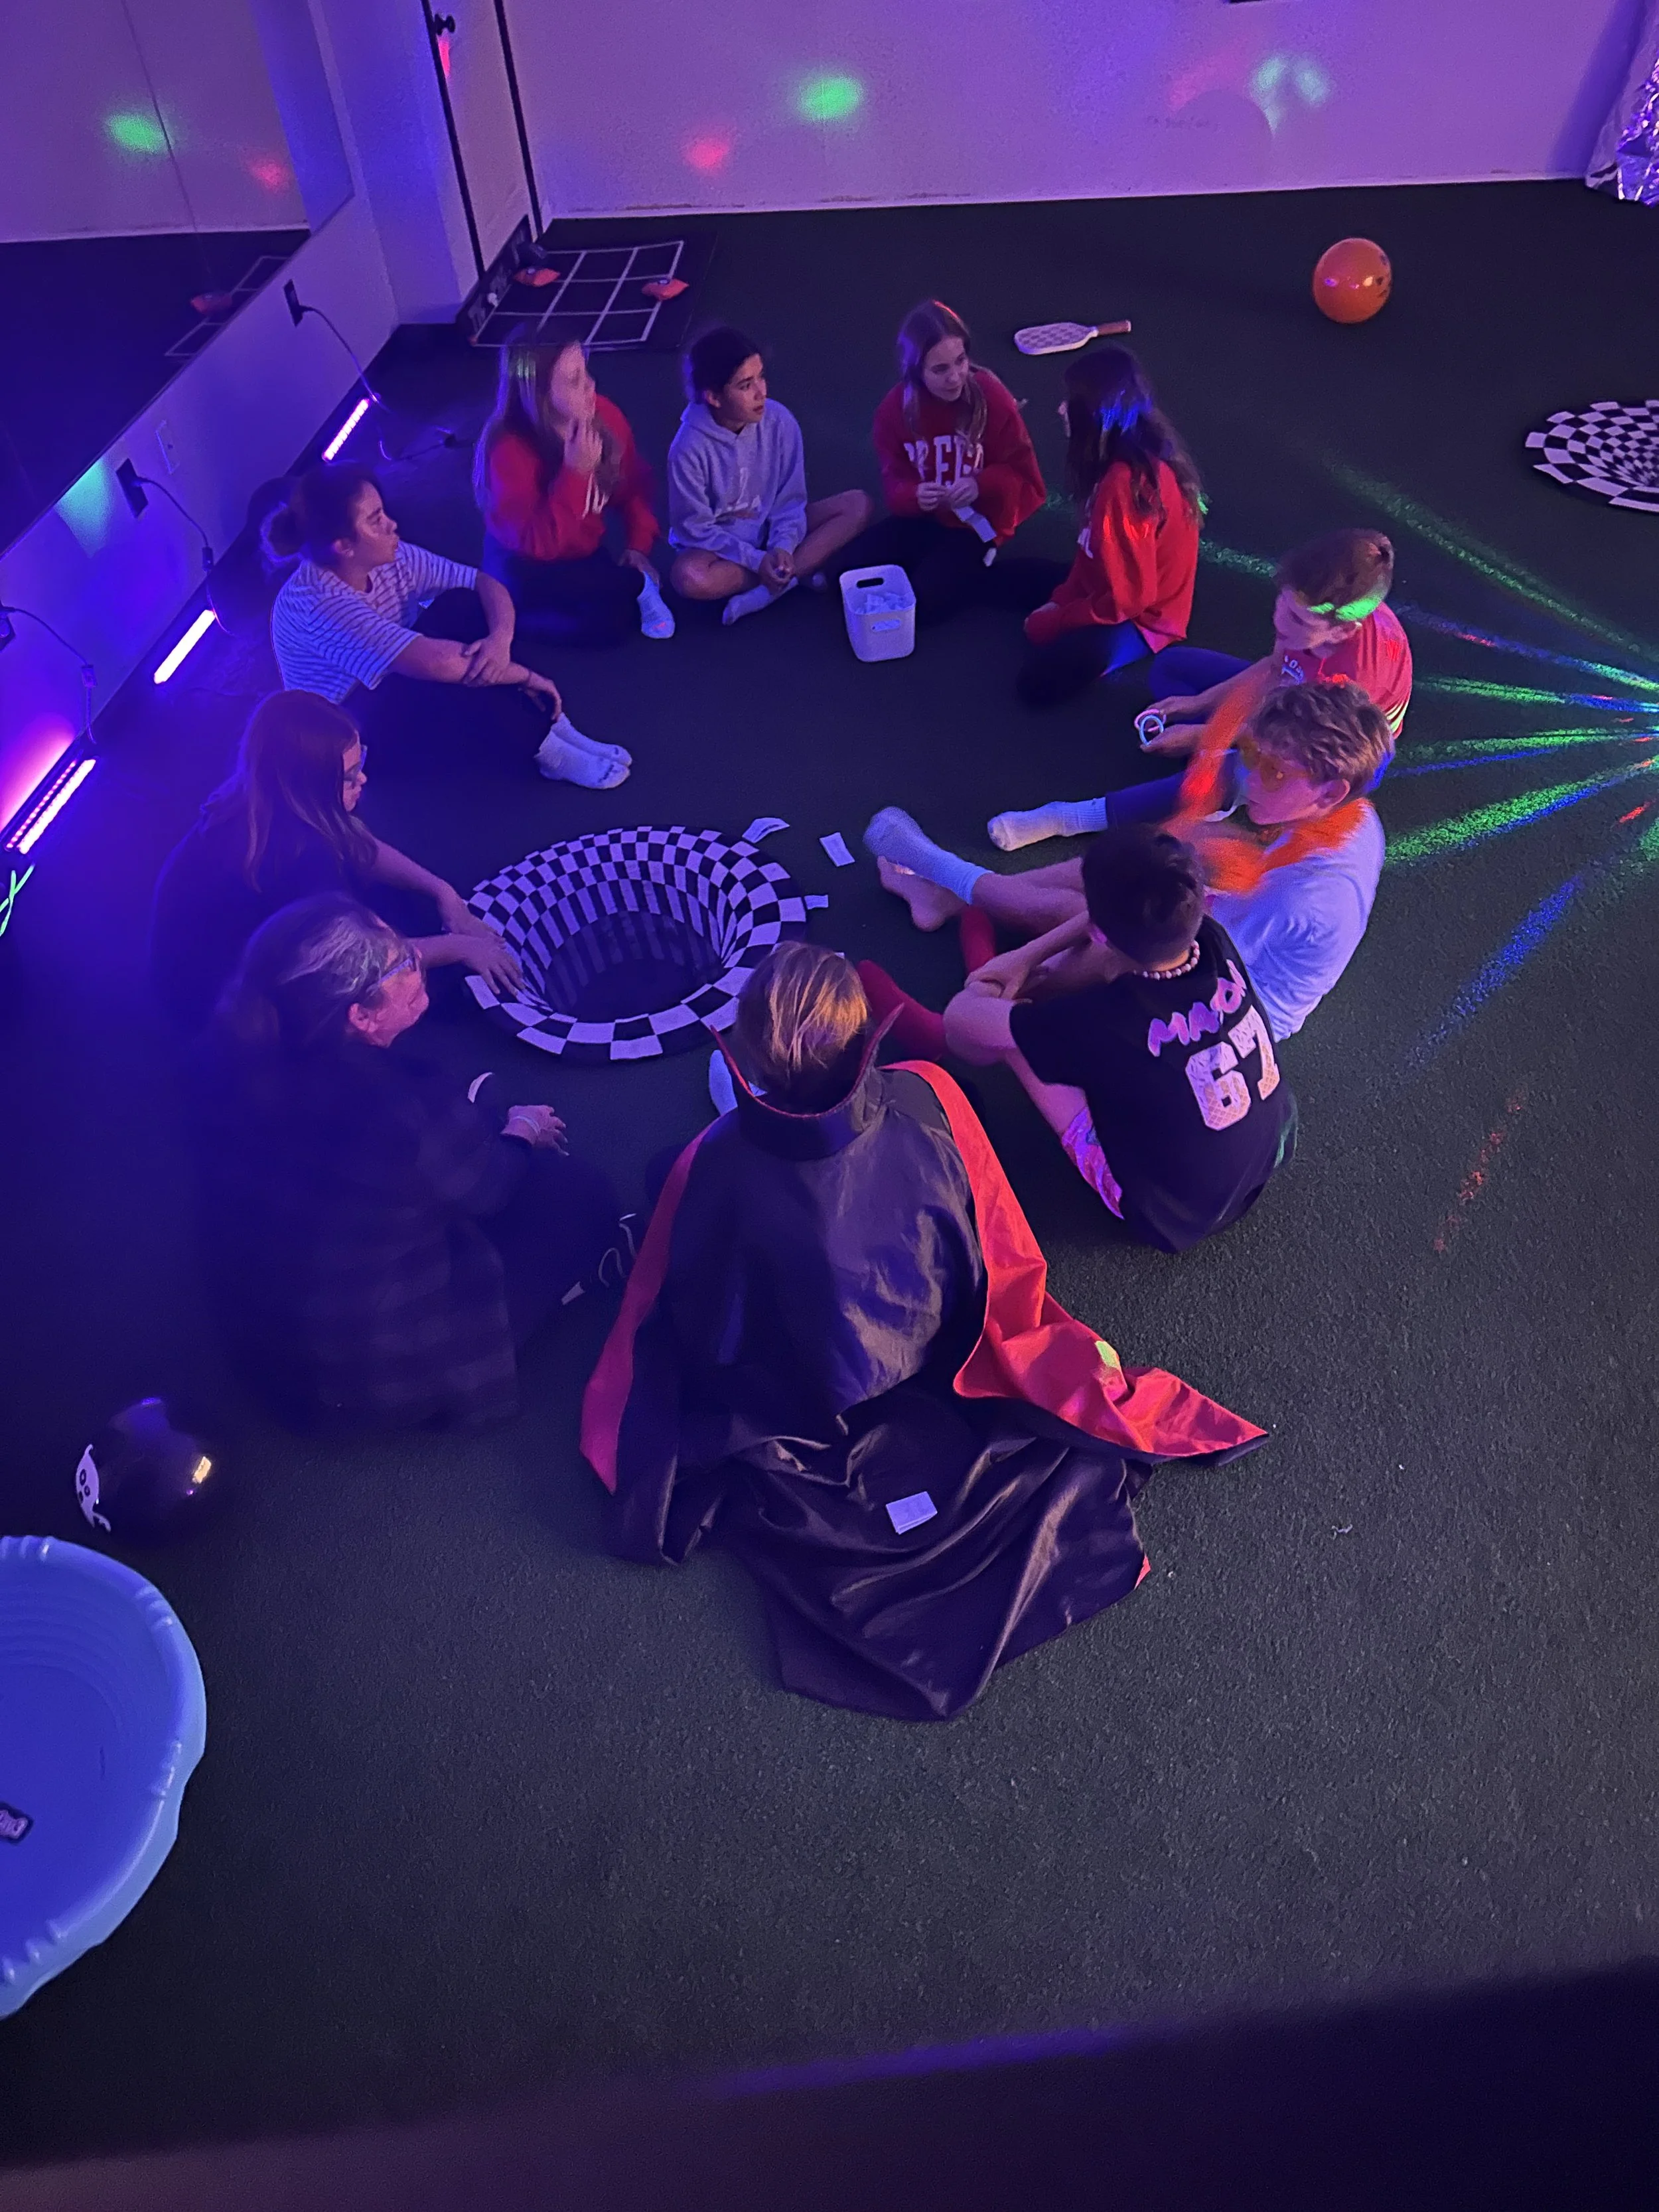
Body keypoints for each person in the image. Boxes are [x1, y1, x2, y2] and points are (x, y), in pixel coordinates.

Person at [581, 942, 1264, 1722]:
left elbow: (699, 1322)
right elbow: (995, 1242)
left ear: (747, 1056)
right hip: (937, 1349)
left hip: (809, 1394)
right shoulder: (929, 1092)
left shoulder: (711, 1163)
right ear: (863, 1038)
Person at [190, 896, 623, 1430]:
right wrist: (519, 1130)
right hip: (375, 1370)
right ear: (360, 1015)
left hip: (271, 1349)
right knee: (579, 1194)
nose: (418, 962)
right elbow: (490, 1186)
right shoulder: (396, 1109)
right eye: (402, 962)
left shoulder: (231, 1060)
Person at [865, 678, 1392, 1045]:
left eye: (1273, 773)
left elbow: (1169, 939)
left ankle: (961, 928)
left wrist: (1040, 950)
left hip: (1230, 997)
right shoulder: (1351, 813)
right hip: (1229, 928)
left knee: (1102, 928)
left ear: (1329, 791)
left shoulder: (1303, 893)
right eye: (1253, 757)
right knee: (1120, 865)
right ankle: (950, 898)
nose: (1250, 777)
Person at [936, 826, 1295, 1250]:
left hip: (1166, 1216)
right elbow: (1108, 946)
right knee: (1085, 993)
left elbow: (960, 1018)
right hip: (1266, 1155)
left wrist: (1020, 959)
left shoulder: (1099, 1021)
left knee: (1015, 1042)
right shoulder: (1213, 940)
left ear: (1100, 930)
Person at [989, 527, 1408, 851]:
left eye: (1297, 623)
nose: (1281, 626)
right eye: (1282, 607)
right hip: (1300, 703)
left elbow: (1292, 738)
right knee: (1171, 670)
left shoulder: (1354, 679)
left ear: (1343, 632)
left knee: (1230, 772)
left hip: (1323, 752)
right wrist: (1197, 704)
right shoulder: (1313, 621)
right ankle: (1219, 762)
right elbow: (1275, 669)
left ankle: (1072, 818)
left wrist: (1207, 739)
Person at [151, 690, 523, 1032]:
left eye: (360, 762)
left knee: (414, 909)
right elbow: (361, 959)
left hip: (250, 943)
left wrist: (443, 893)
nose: (363, 778)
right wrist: (463, 948)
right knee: (438, 983)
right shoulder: (298, 862)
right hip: (223, 1005)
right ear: (311, 785)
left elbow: (360, 846)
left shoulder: (266, 794)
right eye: (347, 778)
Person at [267, 463, 626, 790]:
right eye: (376, 520)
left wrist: (499, 642)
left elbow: (483, 583)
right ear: (343, 546)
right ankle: (547, 747)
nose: (391, 524)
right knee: (438, 685)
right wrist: (528, 676)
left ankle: (548, 719)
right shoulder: (319, 604)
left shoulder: (388, 552)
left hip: (401, 665)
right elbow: (434, 663)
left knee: (464, 607)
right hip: (354, 729)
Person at [1017, 346, 1203, 707]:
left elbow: (1130, 600)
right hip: (1111, 586)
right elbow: (1090, 559)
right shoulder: (1124, 453)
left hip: (1145, 619)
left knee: (1037, 684)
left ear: (1094, 416)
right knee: (1019, 577)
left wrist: (1059, 620)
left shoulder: (1124, 486)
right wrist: (1061, 600)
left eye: (1068, 402)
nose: (1059, 409)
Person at [850, 299, 1052, 626]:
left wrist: (979, 485)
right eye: (940, 369)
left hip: (974, 525)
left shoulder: (992, 398)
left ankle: (986, 575)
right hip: (925, 520)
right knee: (844, 575)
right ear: (916, 371)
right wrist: (914, 495)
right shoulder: (894, 411)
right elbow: (894, 484)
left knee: (925, 606)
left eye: (961, 361)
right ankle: (942, 569)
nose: (956, 377)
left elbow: (1027, 480)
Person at [475, 336, 675, 648]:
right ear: (539, 395)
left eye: (586, 372)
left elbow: (634, 485)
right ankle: (501, 604)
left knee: (611, 622)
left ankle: (513, 611)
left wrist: (638, 545)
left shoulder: (603, 415)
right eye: (574, 381)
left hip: (581, 550)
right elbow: (540, 546)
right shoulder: (509, 451)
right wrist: (577, 472)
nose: (591, 386)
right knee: (549, 620)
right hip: (526, 557)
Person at [666, 326, 872, 625]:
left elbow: (790, 502)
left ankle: (772, 588)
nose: (762, 392)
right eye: (746, 385)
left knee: (858, 505)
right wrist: (756, 560)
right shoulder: (687, 449)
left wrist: (782, 547)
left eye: (761, 376)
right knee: (688, 577)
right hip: (723, 552)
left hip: (773, 534)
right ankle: (791, 575)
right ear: (713, 397)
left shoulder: (779, 421)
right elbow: (694, 531)